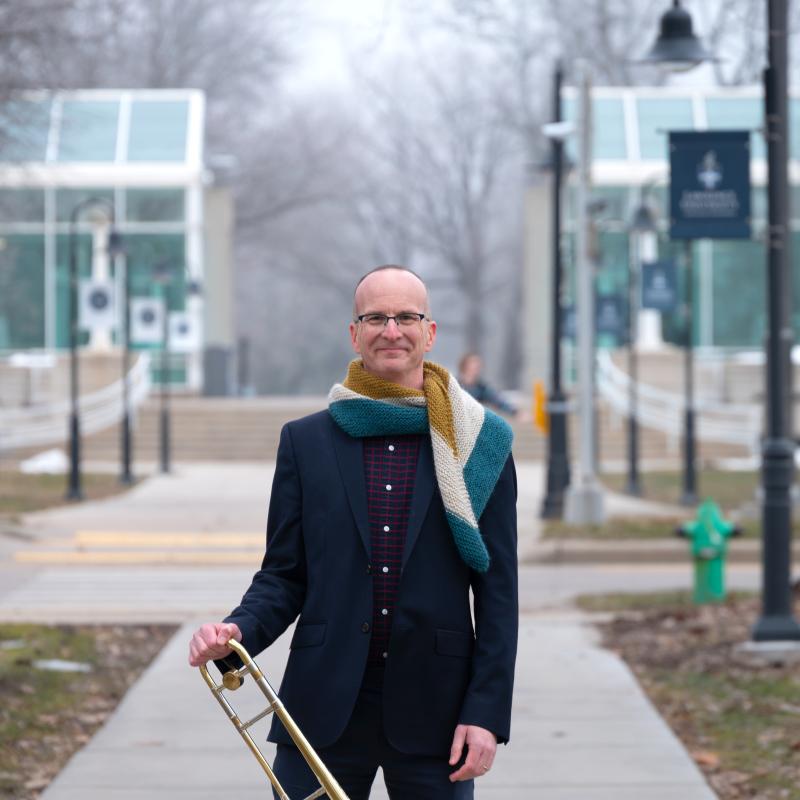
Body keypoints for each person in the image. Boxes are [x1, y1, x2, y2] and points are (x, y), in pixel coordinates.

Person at [189, 265, 518, 799]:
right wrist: (234, 634)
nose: (392, 330)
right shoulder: (305, 443)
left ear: (429, 331)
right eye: (376, 317)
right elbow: (283, 576)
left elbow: (499, 595)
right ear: (355, 332)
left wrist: (487, 713)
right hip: (321, 711)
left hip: (440, 714)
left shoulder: (481, 444)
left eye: (406, 317)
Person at [457, 352, 519, 417]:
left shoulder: (481, 388)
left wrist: (515, 412)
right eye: (473, 364)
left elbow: (498, 400)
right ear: (465, 366)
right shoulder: (455, 386)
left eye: (478, 365)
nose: (477, 367)